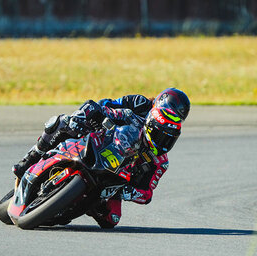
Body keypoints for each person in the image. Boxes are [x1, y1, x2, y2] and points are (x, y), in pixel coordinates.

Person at [12, 88, 190, 228]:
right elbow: (107, 106)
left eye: (169, 138)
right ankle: (31, 157)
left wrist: (127, 191)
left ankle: (77, 203)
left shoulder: (161, 162)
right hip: (101, 138)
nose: (164, 141)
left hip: (116, 176)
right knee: (64, 122)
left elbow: (147, 194)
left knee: (111, 220)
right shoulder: (138, 105)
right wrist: (94, 116)